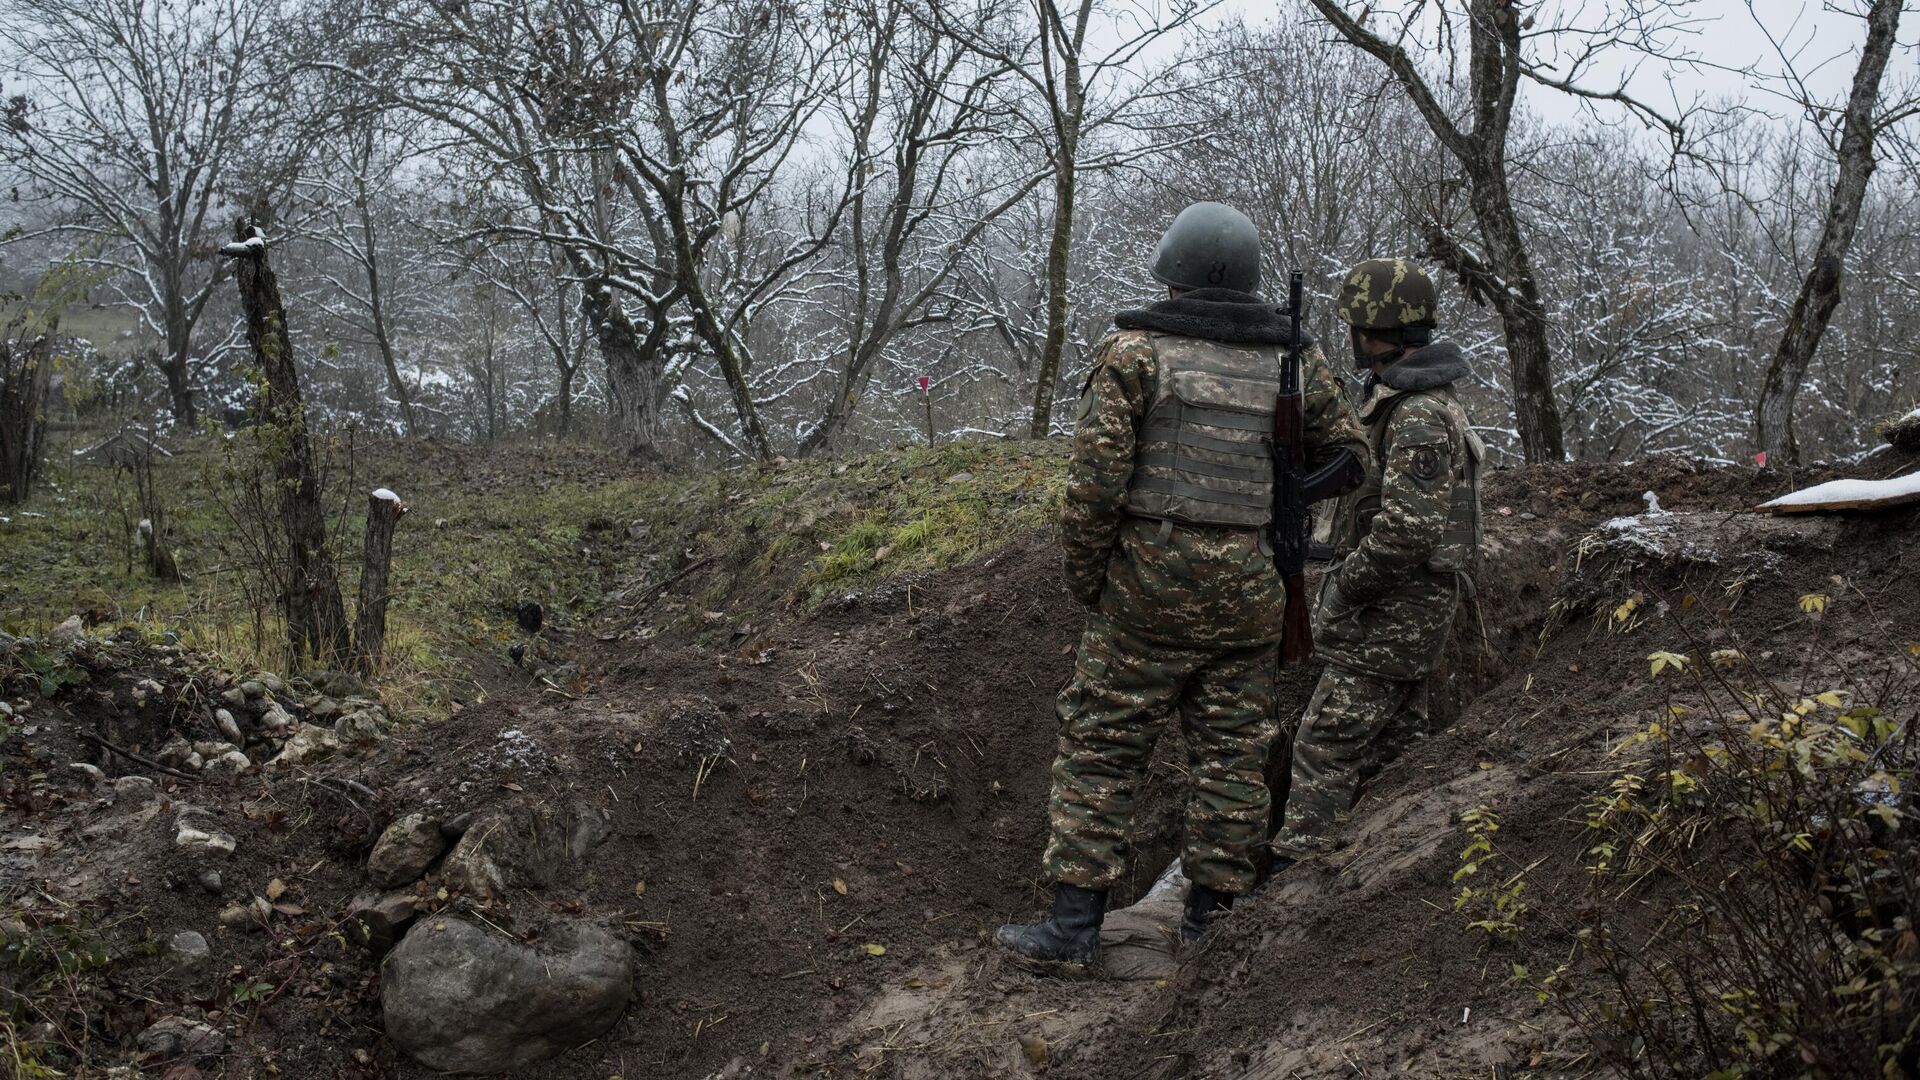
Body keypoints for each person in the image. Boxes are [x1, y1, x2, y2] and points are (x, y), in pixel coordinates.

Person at [996, 203, 1367, 967]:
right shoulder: (1291, 357)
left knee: (1101, 748)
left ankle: (1071, 931)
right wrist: (1288, 500)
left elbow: (1093, 488)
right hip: (1252, 589)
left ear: (1175, 275)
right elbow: (1354, 455)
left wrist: (1091, 577)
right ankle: (1212, 925)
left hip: (1147, 590)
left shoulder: (1134, 354)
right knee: (1232, 757)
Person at [1268, 257, 1484, 868]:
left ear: (1373, 331)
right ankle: (1393, 872)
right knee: (1398, 749)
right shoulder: (1412, 397)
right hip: (1410, 608)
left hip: (1396, 611)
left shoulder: (1416, 412)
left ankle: (1290, 887)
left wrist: (1339, 591)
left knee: (1325, 742)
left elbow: (1406, 533)